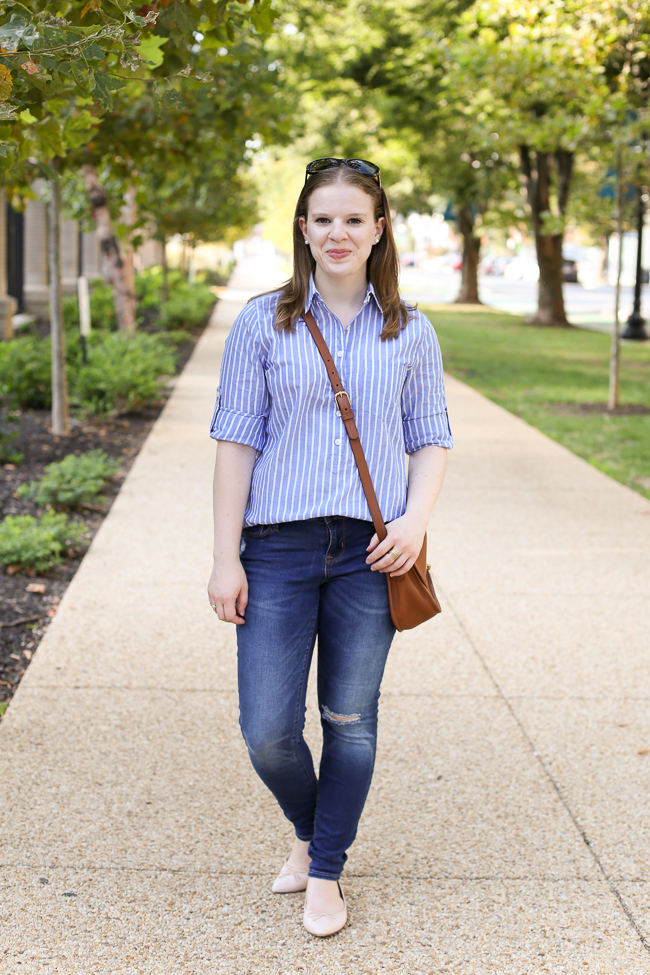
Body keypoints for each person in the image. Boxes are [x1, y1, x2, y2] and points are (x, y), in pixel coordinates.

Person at [207, 157, 453, 937]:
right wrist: (224, 556)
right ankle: (315, 830)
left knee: (350, 717)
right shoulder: (263, 321)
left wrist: (415, 522)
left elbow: (431, 438)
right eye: (324, 219)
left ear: (379, 229)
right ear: (303, 231)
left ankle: (325, 872)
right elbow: (236, 444)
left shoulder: (410, 329)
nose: (339, 232)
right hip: (276, 547)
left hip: (371, 552)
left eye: (355, 218)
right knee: (268, 730)